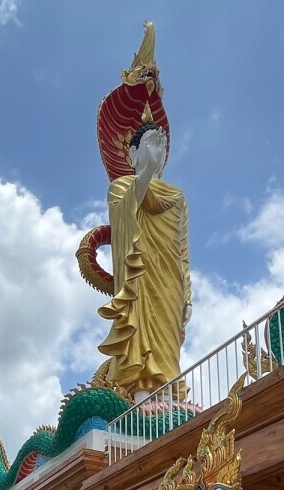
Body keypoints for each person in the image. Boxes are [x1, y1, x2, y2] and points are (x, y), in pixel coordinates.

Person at [97, 121, 192, 403]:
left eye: (162, 148)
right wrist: (147, 170)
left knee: (167, 341)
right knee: (140, 330)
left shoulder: (177, 198)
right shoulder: (120, 187)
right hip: (139, 275)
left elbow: (182, 250)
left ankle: (170, 399)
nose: (158, 152)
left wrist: (188, 296)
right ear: (132, 155)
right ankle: (141, 397)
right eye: (150, 145)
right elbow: (127, 212)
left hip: (170, 279)